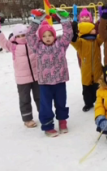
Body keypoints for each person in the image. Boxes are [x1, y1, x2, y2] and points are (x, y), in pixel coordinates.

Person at [26, 9, 73, 137]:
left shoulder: (61, 45)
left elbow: (68, 34)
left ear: (54, 35)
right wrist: (36, 21)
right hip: (45, 83)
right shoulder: (38, 47)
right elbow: (29, 36)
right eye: (44, 36)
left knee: (61, 102)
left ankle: (62, 121)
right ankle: (47, 126)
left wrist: (64, 21)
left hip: (60, 80)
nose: (47, 38)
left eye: (50, 35)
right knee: (46, 105)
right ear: (40, 38)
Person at [0, 16, 39, 128]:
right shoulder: (13, 46)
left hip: (37, 76)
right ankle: (27, 119)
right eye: (19, 36)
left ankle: (44, 114)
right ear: (15, 36)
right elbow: (2, 41)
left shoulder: (33, 43)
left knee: (40, 97)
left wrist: (38, 20)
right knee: (24, 99)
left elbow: (37, 32)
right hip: (22, 79)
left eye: (24, 35)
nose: (22, 37)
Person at [71, 21, 103, 112]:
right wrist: (73, 33)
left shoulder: (96, 40)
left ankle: (99, 101)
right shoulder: (81, 42)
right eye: (93, 29)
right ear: (87, 31)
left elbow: (102, 35)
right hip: (86, 70)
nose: (95, 30)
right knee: (86, 88)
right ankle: (88, 103)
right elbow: (74, 41)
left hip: (97, 68)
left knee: (97, 86)